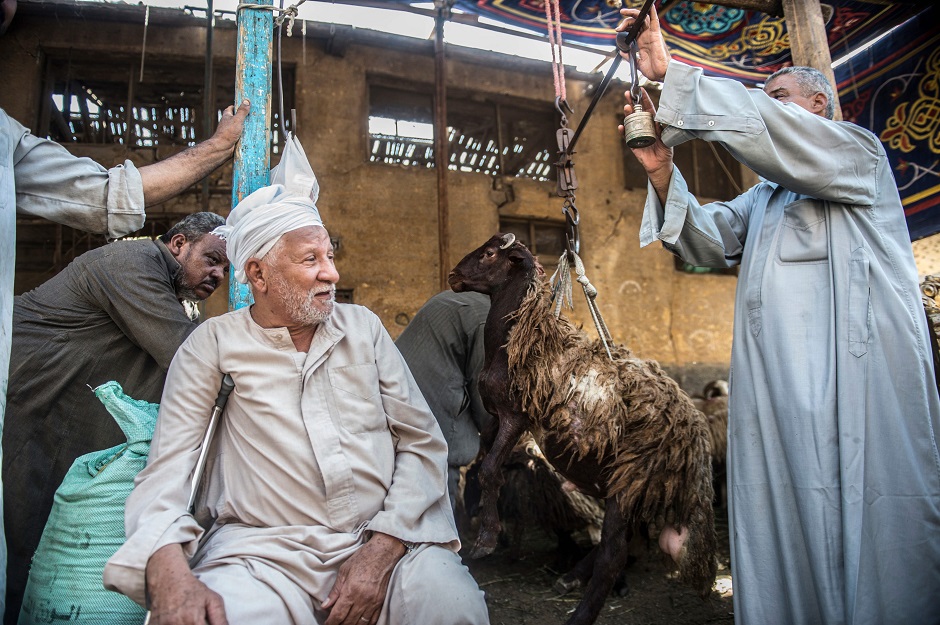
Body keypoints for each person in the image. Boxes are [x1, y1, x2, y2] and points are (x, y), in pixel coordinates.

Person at [616, 6, 940, 624]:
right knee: (784, 517)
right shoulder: (764, 197)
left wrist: (671, 74)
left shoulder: (857, 155)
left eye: (781, 96)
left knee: (868, 517)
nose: (769, 108)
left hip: (856, 388)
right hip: (777, 397)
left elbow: (767, 132)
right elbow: (704, 240)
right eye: (766, 98)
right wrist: (662, 174)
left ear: (818, 107)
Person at [103, 184, 490, 625]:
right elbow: (168, 471)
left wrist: (383, 549)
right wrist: (169, 573)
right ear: (258, 274)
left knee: (453, 607)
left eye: (329, 256)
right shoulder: (211, 345)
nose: (332, 274)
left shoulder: (364, 328)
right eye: (311, 260)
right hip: (261, 554)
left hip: (385, 542)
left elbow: (422, 443)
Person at [0, 100, 248, 622]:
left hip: (61, 409)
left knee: (42, 524)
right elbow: (189, 356)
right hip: (28, 396)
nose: (217, 277)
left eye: (227, 270)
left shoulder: (163, 288)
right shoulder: (132, 262)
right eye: (211, 259)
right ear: (177, 243)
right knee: (20, 527)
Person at [395, 290, 493, 514]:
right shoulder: (486, 316)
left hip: (401, 402)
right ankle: (443, 541)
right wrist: (494, 433)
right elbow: (485, 388)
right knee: (439, 502)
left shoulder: (453, 298)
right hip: (433, 415)